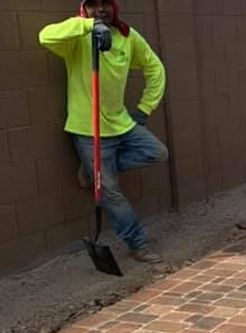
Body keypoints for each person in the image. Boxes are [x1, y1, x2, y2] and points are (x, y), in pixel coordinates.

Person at [39, 0, 168, 263]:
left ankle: (93, 170)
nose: (100, 10)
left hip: (122, 124)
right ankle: (138, 243)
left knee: (158, 153)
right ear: (84, 9)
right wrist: (88, 26)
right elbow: (45, 36)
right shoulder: (78, 38)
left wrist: (144, 109)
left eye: (105, 4)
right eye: (93, 5)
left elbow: (155, 68)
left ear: (114, 7)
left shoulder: (127, 36)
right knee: (110, 191)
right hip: (88, 130)